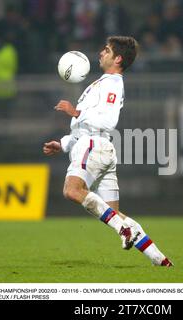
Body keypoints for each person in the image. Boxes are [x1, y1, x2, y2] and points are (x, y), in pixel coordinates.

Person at [43, 36, 173, 267]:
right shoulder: (102, 83)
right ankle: (159, 258)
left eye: (107, 50)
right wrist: (63, 144)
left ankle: (124, 230)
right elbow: (83, 127)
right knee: (114, 214)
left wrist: (75, 112)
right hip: (98, 148)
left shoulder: (113, 83)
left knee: (72, 191)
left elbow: (108, 120)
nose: (101, 53)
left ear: (118, 58)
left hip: (93, 146)